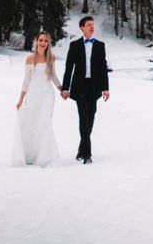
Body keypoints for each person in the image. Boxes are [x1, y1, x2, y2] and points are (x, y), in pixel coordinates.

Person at [61, 15, 110, 164]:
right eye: (89, 25)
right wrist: (65, 88)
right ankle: (87, 154)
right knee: (83, 118)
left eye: (93, 25)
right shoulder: (74, 45)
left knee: (91, 117)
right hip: (79, 87)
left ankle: (81, 149)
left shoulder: (100, 46)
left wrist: (105, 88)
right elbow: (69, 68)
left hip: (94, 88)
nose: (92, 27)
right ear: (82, 27)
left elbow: (103, 68)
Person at [12, 31, 62, 167]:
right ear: (36, 41)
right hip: (33, 94)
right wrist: (21, 100)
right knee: (32, 124)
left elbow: (53, 76)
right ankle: (31, 154)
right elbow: (26, 81)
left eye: (46, 41)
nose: (43, 43)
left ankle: (45, 157)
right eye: (41, 40)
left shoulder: (51, 57)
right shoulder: (29, 59)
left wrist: (61, 90)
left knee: (45, 122)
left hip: (47, 94)